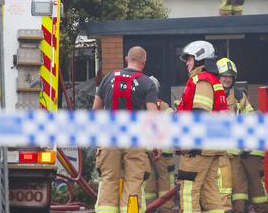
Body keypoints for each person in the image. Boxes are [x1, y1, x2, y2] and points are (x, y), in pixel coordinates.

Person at [93, 46, 159, 213]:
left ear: (126, 59)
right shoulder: (147, 83)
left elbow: (95, 110)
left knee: (109, 181)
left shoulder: (108, 77)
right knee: (133, 183)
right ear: (143, 63)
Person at [176, 40, 228, 213]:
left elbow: (200, 114)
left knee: (189, 190)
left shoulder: (202, 81)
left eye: (189, 59)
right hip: (213, 145)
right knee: (210, 192)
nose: (186, 63)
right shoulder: (213, 80)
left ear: (199, 58)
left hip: (199, 146)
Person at [216, 58, 268, 213]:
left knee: (245, 186)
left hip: (239, 152)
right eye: (224, 75)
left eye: (230, 76)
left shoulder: (238, 96)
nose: (226, 79)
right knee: (230, 187)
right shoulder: (211, 94)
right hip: (222, 153)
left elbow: (252, 116)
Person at [144, 76, 177, 213]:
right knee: (165, 183)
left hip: (146, 153)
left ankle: (148, 208)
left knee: (148, 185)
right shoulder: (165, 107)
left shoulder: (141, 106)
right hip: (164, 154)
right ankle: (166, 209)